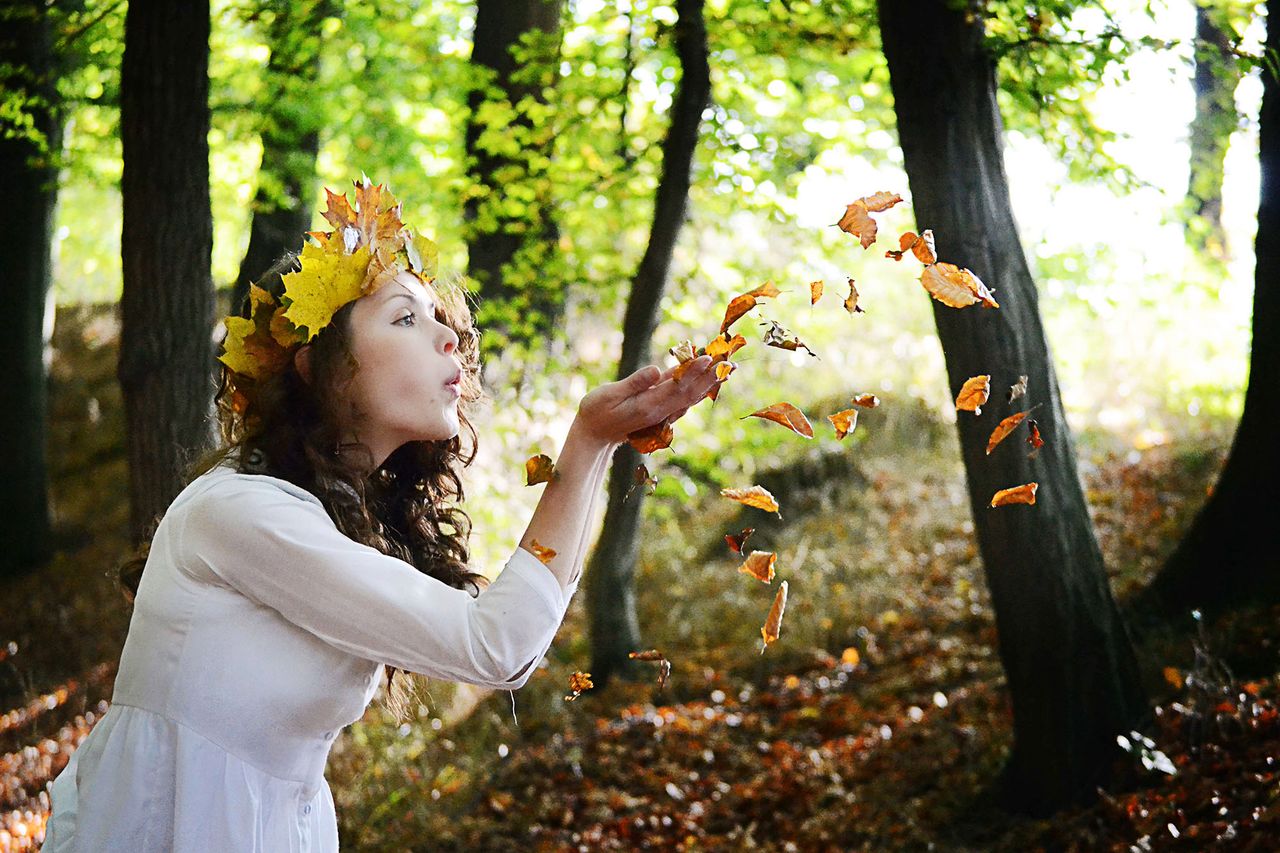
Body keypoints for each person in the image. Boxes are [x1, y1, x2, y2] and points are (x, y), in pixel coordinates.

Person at [42, 178, 722, 852]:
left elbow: (509, 636)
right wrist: (589, 440)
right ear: (318, 368)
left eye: (438, 317)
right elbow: (498, 643)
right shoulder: (239, 512)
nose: (448, 337)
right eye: (405, 317)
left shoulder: (342, 518)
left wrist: (598, 441)